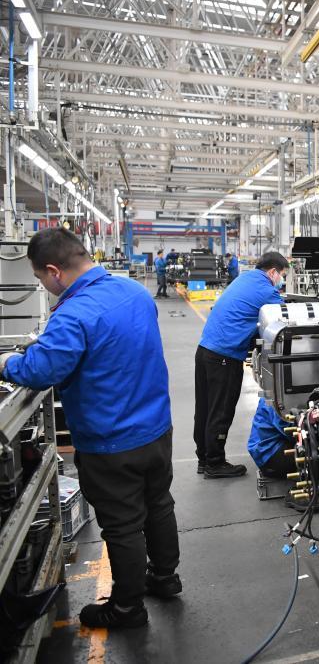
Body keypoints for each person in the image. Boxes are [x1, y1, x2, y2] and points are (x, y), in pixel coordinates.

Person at [0, 229, 180, 629]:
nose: (44, 287)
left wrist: (8, 364)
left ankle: (128, 608)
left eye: (41, 279)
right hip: (156, 428)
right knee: (158, 504)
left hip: (110, 441)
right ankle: (165, 577)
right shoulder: (134, 292)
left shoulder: (73, 313)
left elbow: (41, 371)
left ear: (54, 271)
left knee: (122, 524)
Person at [194, 251, 288, 478]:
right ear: (272, 272)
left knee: (205, 408)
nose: (282, 281)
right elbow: (285, 317)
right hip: (224, 356)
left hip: (205, 350)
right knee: (221, 409)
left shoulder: (244, 278)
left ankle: (204, 459)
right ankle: (215, 464)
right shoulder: (266, 290)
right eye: (282, 275)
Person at [247, 398, 296, 479]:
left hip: (263, 451)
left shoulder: (272, 395)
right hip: (270, 454)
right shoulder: (275, 399)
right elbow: (287, 429)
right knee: (314, 456)